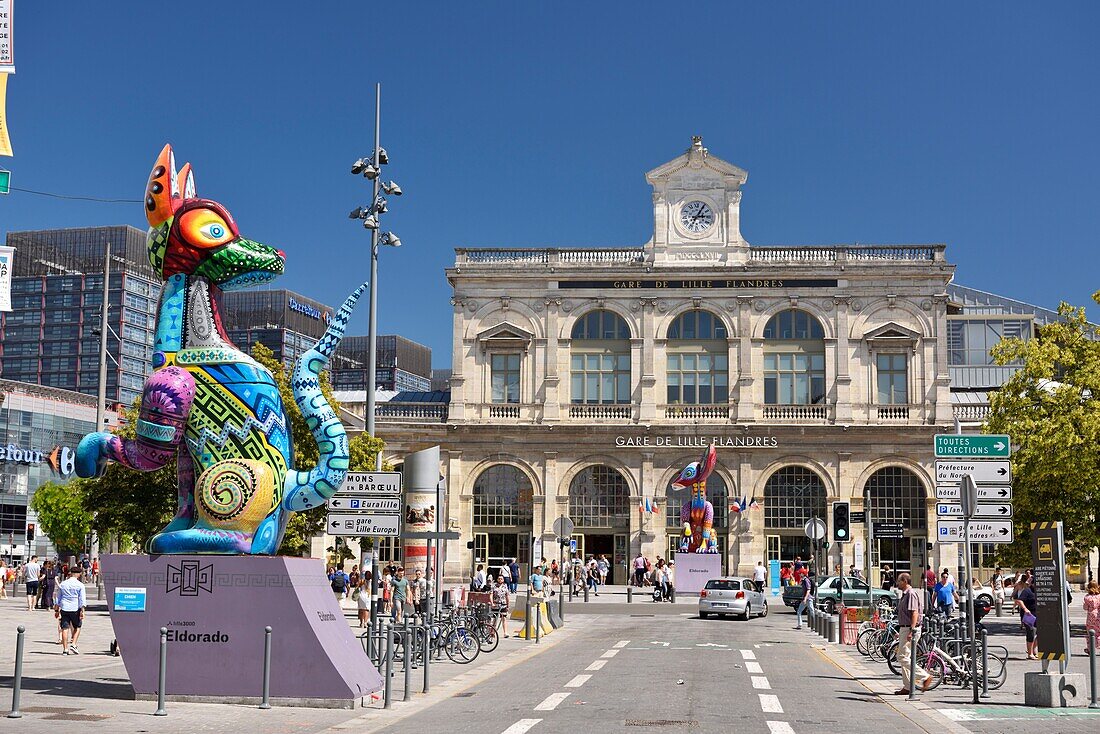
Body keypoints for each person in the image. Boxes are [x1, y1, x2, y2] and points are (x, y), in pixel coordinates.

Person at [894, 572, 932, 695]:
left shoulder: (910, 594)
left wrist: (911, 630)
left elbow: (915, 613)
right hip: (904, 628)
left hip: (910, 629)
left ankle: (924, 676)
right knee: (904, 657)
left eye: (899, 581)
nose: (897, 583)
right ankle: (908, 686)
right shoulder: (905, 594)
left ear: (905, 581)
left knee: (902, 657)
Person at [54, 566, 86, 655]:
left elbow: (58, 597)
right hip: (75, 608)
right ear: (79, 574)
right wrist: (82, 610)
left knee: (65, 628)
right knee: (78, 626)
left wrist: (56, 610)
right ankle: (74, 643)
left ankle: (65, 649)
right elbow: (82, 599)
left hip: (64, 607)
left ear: (70, 573)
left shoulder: (63, 584)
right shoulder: (80, 585)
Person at [1014, 574, 1039, 660]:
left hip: (1038, 615)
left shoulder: (1040, 591)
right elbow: (1019, 600)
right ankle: (1030, 653)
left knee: (1041, 633)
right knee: (1031, 633)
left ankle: (1033, 649)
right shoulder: (1027, 591)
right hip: (1029, 615)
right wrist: (1025, 609)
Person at [1082, 581, 1100, 655]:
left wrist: (1085, 605)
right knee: (1098, 632)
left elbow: (1085, 608)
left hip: (1090, 616)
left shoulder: (1087, 597)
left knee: (1090, 632)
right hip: (1098, 616)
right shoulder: (1099, 596)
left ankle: (1090, 649)